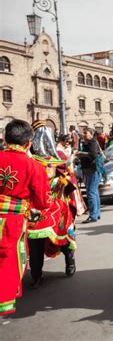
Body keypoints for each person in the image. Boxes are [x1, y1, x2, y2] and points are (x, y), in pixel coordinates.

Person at [0, 119, 51, 315]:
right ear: (29, 143)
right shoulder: (34, 166)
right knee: (7, 259)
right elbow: (43, 202)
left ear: (5, 138)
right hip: (12, 221)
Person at [28, 120, 79, 288]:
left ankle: (69, 260)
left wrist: (61, 182)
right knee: (34, 242)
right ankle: (36, 275)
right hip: (35, 208)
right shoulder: (28, 159)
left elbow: (71, 180)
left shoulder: (60, 157)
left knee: (60, 237)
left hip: (57, 206)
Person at [76, 128, 101, 223]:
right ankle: (96, 214)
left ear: (91, 134)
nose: (84, 134)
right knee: (94, 193)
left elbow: (93, 155)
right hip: (89, 170)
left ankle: (93, 215)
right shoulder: (88, 142)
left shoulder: (92, 142)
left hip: (92, 170)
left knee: (91, 193)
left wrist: (80, 154)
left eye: (86, 133)